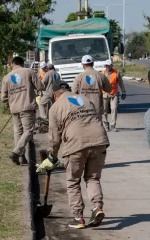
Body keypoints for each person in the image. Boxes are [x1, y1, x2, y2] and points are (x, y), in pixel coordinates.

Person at [36, 80, 110, 229]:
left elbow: (54, 137)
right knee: (93, 178)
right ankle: (97, 207)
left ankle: (78, 218)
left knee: (73, 181)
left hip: (76, 145)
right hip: (99, 141)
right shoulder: (86, 100)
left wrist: (52, 156)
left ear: (55, 95)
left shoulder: (55, 107)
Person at [1, 57, 43, 165]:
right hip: (27, 107)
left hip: (14, 108)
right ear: (22, 64)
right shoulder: (28, 71)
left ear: (12, 64)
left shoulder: (6, 77)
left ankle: (21, 158)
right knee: (28, 131)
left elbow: (3, 98)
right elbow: (39, 86)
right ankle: (16, 152)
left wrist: (10, 103)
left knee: (18, 132)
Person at [72, 55, 112, 119]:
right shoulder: (101, 76)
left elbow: (73, 92)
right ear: (93, 63)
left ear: (83, 65)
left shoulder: (79, 77)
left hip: (84, 109)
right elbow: (109, 89)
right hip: (97, 108)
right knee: (97, 127)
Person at [102, 60, 126, 132]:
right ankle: (106, 126)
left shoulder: (116, 73)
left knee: (114, 108)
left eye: (109, 65)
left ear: (111, 65)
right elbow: (99, 83)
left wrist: (124, 92)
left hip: (114, 94)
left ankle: (113, 125)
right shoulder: (102, 73)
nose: (108, 67)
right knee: (104, 110)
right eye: (106, 66)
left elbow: (121, 83)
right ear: (105, 66)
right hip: (105, 94)